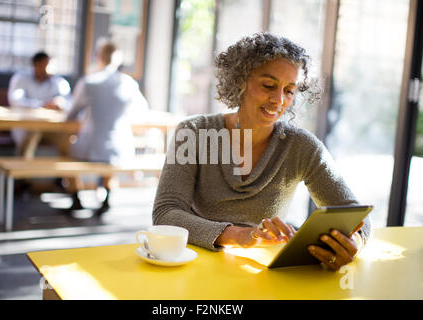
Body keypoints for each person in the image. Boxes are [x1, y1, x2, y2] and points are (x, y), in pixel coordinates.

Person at [152, 32, 371, 271]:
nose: (279, 100)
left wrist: (353, 244)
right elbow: (166, 213)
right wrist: (240, 235)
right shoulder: (193, 132)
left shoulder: (302, 147)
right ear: (240, 80)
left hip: (261, 271)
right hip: (193, 264)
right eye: (269, 85)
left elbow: (356, 216)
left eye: (289, 90)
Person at [66, 39, 149, 215]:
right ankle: (107, 192)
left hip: (90, 148)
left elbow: (70, 114)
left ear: (98, 57)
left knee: (66, 147)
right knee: (113, 150)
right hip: (120, 149)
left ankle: (75, 195)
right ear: (118, 60)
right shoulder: (129, 83)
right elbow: (142, 112)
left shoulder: (89, 82)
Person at [7, 52, 71, 158]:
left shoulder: (58, 82)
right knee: (30, 135)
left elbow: (69, 102)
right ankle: (23, 173)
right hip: (27, 125)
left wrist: (61, 103)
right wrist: (42, 105)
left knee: (69, 139)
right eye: (45, 65)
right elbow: (16, 100)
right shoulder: (21, 78)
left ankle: (65, 173)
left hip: (52, 126)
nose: (48, 70)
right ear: (36, 64)